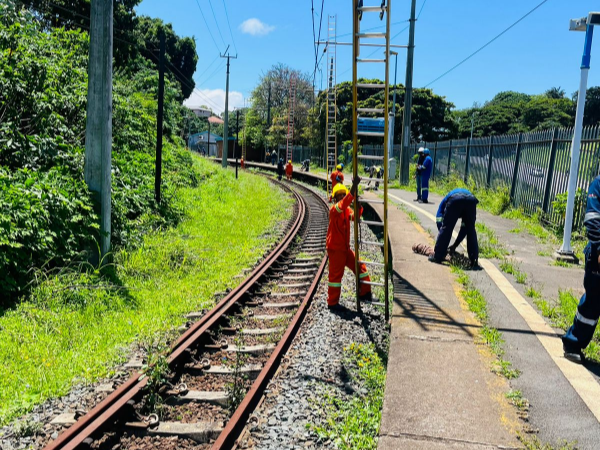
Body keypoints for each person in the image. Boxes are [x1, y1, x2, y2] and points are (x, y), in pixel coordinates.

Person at [562, 176, 600, 363]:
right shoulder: (598, 184)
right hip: (598, 256)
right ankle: (573, 343)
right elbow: (593, 220)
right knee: (592, 304)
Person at [326, 178, 372, 311]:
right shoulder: (335, 210)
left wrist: (358, 204)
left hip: (345, 249)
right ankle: (332, 303)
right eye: (339, 195)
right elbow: (345, 202)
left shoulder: (346, 210)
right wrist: (354, 187)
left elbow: (355, 217)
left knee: (361, 267)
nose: (341, 196)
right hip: (335, 250)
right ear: (335, 198)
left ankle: (365, 293)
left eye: (343, 194)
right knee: (335, 278)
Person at [429, 188, 479, 267]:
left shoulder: (443, 203)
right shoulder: (463, 198)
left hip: (455, 199)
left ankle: (438, 256)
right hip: (471, 200)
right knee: (471, 229)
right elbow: (465, 229)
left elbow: (440, 221)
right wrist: (455, 245)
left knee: (447, 227)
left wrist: (442, 236)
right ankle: (474, 260)